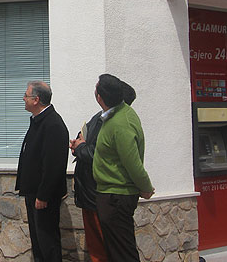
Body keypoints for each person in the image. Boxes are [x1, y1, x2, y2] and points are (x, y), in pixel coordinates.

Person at [70, 79, 137, 262]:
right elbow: (85, 138)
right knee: (97, 247)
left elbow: (101, 154)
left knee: (109, 247)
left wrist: (82, 147)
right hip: (89, 193)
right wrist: (78, 144)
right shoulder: (99, 118)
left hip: (102, 195)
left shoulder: (117, 123)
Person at [92, 74, 154, 262]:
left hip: (116, 197)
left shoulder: (120, 123)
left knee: (123, 253)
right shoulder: (116, 114)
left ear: (100, 97)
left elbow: (132, 163)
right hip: (110, 194)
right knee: (116, 251)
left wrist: (146, 187)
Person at [16, 80, 69, 262]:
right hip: (34, 192)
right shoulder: (39, 121)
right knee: (38, 241)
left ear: (36, 99)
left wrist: (43, 195)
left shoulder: (52, 124)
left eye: (26, 95)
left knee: (47, 241)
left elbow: (53, 164)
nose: (23, 98)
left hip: (43, 196)